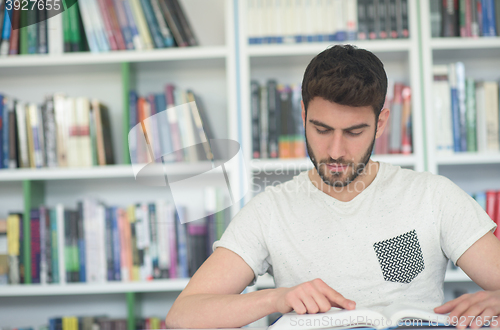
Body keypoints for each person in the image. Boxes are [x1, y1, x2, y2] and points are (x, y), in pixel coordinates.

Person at [165, 44, 500, 329]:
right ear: (303, 114)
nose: (336, 151)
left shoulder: (434, 196)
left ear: (380, 123)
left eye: (354, 132)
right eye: (322, 129)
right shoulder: (270, 211)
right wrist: (276, 298)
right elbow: (183, 315)